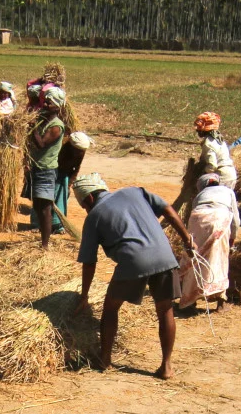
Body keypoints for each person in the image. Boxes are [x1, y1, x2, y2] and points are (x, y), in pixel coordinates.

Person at [72, 174, 195, 381]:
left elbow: (89, 262)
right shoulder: (135, 192)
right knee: (165, 309)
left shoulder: (94, 217)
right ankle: (166, 367)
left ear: (89, 198)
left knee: (111, 308)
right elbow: (167, 209)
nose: (86, 210)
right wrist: (187, 239)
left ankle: (104, 359)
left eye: (84, 206)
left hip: (133, 261)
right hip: (164, 256)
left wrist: (84, 295)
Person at [179, 173, 239, 311]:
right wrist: (232, 240)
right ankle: (221, 303)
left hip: (197, 219)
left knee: (195, 258)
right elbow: (235, 220)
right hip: (219, 219)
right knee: (220, 260)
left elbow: (192, 214)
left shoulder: (199, 195)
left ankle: (189, 302)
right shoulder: (228, 191)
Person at [25, 86, 67, 250]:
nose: (46, 105)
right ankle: (43, 239)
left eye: (50, 103)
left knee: (45, 209)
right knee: (37, 205)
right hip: (36, 167)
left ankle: (45, 245)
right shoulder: (43, 120)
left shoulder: (57, 126)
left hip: (46, 170)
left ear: (58, 106)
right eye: (46, 101)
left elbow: (41, 143)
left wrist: (32, 128)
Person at [194, 112, 237, 189]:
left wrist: (202, 174)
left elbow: (212, 166)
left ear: (204, 129)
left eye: (199, 128)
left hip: (222, 177)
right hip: (231, 176)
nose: (197, 130)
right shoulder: (219, 139)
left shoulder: (208, 143)